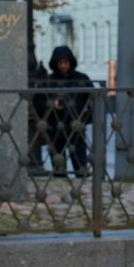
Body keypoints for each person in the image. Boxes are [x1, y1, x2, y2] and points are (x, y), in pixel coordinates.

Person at [46, 45, 93, 177]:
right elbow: (40, 101)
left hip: (76, 125)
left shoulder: (81, 78)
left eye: (65, 62)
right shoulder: (49, 80)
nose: (62, 66)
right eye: (60, 63)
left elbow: (92, 100)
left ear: (70, 62)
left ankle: (81, 181)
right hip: (56, 125)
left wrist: (84, 119)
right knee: (58, 165)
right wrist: (52, 105)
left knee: (80, 163)